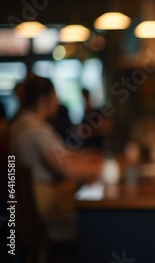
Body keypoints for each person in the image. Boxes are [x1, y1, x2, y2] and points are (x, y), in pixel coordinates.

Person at [9, 75, 103, 241]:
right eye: (55, 96)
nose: (57, 101)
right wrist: (105, 168)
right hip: (47, 215)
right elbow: (69, 171)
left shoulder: (20, 124)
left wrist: (89, 157)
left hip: (31, 214)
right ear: (44, 98)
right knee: (101, 225)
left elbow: (62, 154)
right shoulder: (37, 131)